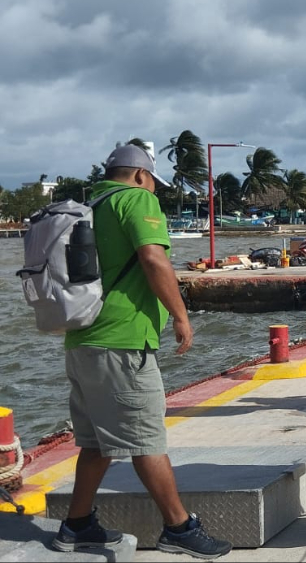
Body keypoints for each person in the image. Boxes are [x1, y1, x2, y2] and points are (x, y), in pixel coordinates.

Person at [57, 144, 231, 558]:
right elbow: (153, 259)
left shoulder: (89, 205)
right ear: (140, 175)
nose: (154, 188)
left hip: (83, 338)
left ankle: (77, 525)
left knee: (97, 442)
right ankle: (179, 528)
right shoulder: (137, 199)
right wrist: (181, 315)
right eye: (153, 181)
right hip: (123, 341)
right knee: (146, 440)